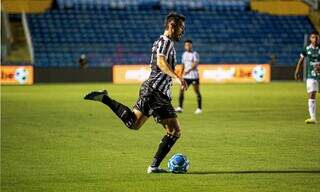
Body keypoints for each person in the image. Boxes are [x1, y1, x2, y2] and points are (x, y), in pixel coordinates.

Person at [84, 12, 187, 173]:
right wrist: (177, 77)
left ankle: (105, 98)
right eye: (181, 28)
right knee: (174, 130)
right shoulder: (165, 42)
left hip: (153, 91)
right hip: (156, 92)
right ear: (171, 26)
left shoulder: (163, 42)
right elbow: (160, 62)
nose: (182, 31)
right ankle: (153, 166)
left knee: (134, 123)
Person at [294, 31, 320, 124]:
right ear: (310, 39)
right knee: (311, 94)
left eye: (316, 37)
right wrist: (297, 71)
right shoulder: (306, 49)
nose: (315, 39)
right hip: (310, 75)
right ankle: (313, 118)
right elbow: (301, 60)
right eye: (313, 37)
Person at [175, 39, 202, 114]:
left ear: (191, 46)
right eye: (186, 45)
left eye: (189, 45)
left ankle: (199, 108)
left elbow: (195, 63)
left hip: (194, 76)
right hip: (186, 77)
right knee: (181, 90)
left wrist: (188, 70)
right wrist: (181, 73)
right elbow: (183, 65)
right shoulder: (184, 54)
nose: (187, 46)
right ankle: (180, 107)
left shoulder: (195, 54)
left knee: (196, 91)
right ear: (185, 46)